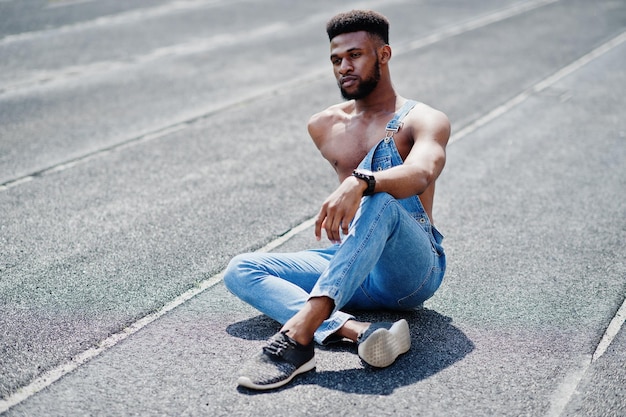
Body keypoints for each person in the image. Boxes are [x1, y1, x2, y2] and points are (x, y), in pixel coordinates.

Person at [224, 9, 450, 390]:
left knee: (382, 200)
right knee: (241, 269)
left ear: (384, 54)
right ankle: (358, 331)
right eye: (336, 59)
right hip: (352, 265)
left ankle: (299, 337)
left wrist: (360, 182)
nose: (344, 66)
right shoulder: (324, 125)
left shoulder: (423, 119)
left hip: (410, 270)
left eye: (355, 55)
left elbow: (422, 173)